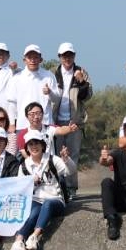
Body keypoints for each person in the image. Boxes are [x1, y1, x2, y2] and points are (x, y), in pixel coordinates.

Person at [10, 131, 70, 250]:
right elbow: (21, 189)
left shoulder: (53, 159)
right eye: (30, 144)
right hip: (36, 200)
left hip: (55, 200)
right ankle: (19, 241)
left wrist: (67, 160)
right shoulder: (24, 166)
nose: (34, 146)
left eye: (36, 143)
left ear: (43, 145)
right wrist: (31, 182)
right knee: (32, 215)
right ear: (26, 148)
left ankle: (34, 237)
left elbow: (70, 172)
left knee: (47, 204)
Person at [50, 43, 91, 191]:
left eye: (70, 55)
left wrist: (81, 81)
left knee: (72, 156)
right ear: (59, 57)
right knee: (58, 156)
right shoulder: (53, 74)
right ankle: (60, 187)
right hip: (57, 122)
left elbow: (87, 96)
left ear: (74, 55)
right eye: (64, 55)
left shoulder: (81, 72)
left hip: (75, 121)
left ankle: (71, 188)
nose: (67, 58)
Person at [7, 45, 61, 133]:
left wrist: (50, 92)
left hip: (45, 124)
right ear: (24, 60)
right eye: (29, 57)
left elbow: (56, 99)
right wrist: (12, 123)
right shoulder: (16, 78)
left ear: (41, 59)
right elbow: (12, 103)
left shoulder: (49, 76)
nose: (33, 60)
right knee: (23, 147)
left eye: (36, 57)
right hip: (23, 125)